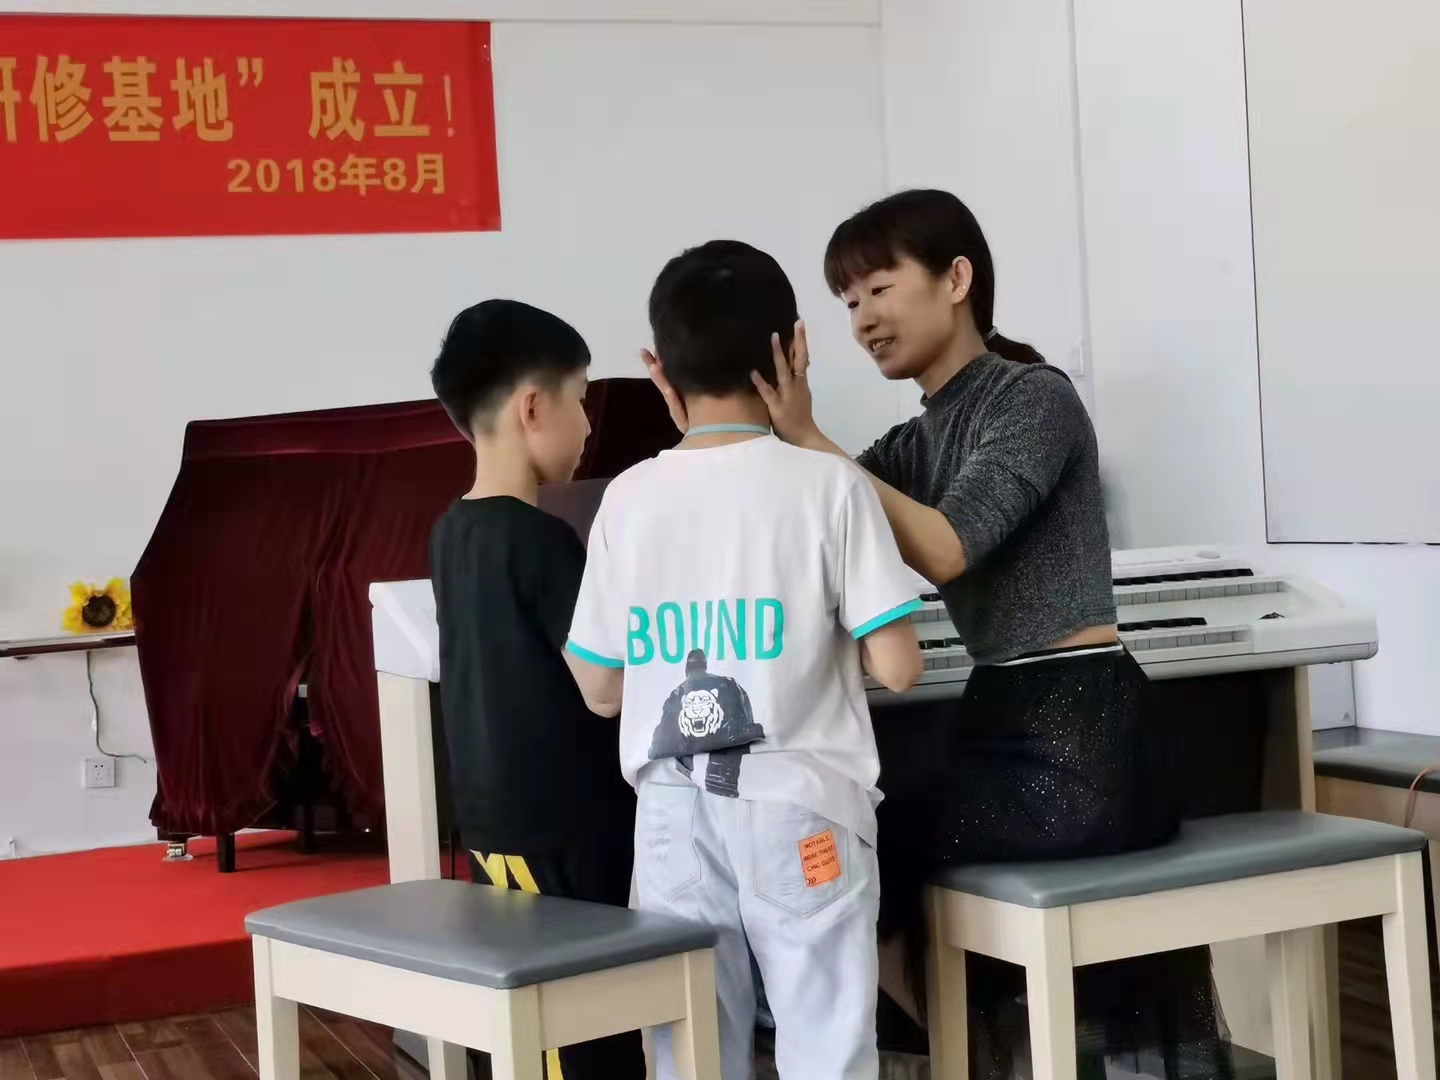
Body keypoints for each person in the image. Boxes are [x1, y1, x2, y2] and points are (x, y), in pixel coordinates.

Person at [646, 191, 1226, 1077]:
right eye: (848, 302)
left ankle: (969, 1055)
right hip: (1000, 721)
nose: (863, 320)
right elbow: (819, 512)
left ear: (957, 280)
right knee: (843, 835)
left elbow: (949, 545)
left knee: (854, 836)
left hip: (1083, 735)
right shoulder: (913, 440)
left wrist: (808, 436)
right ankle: (968, 1052)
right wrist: (720, 436)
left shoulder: (1034, 397)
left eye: (880, 289)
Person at [564, 240, 924, 1080]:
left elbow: (599, 685)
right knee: (825, 1041)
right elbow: (900, 666)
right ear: (794, 350)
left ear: (658, 369)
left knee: (690, 1049)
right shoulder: (830, 486)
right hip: (801, 810)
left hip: (671, 821)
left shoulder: (627, 498)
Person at [428, 299, 645, 1080]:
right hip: (563, 827)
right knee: (580, 1028)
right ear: (531, 408)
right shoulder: (541, 540)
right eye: (580, 399)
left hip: (497, 820)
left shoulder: (451, 530)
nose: (587, 424)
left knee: (535, 1027)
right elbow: (604, 686)